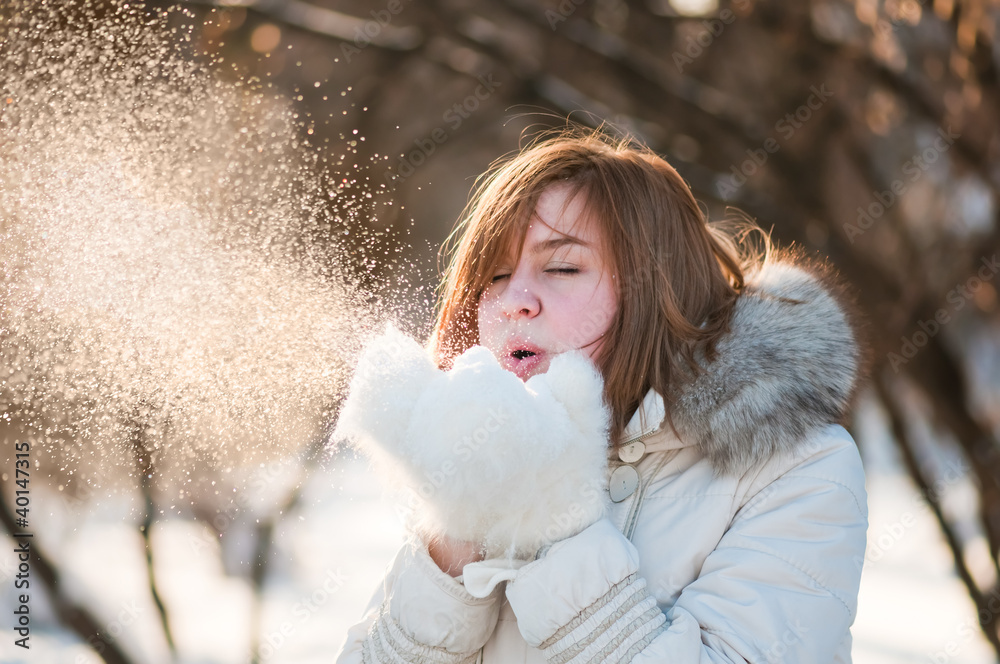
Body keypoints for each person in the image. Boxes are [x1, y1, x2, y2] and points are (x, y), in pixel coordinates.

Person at [334, 127, 870, 663]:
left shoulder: (799, 470)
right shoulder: (483, 457)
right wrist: (451, 547)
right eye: (495, 275)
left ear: (657, 289)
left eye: (562, 267)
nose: (515, 299)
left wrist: (558, 519)